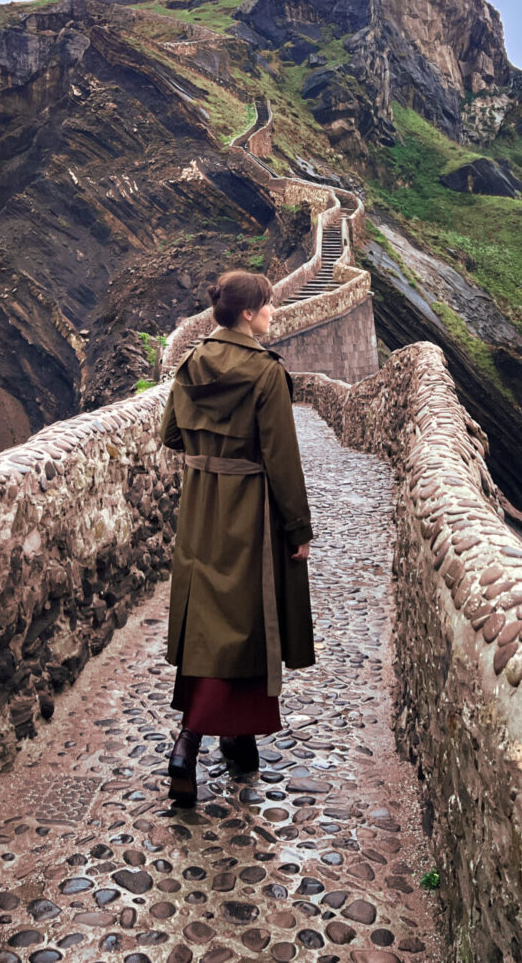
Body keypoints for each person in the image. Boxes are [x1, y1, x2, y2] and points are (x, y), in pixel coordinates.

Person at [159, 270, 315, 806]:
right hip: (251, 512)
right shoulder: (266, 374)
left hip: (200, 510)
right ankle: (192, 742)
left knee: (210, 622)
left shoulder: (190, 363)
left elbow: (170, 435)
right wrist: (298, 528)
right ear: (247, 313)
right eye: (268, 305)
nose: (273, 313)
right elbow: (283, 461)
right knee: (246, 622)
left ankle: (234, 740)